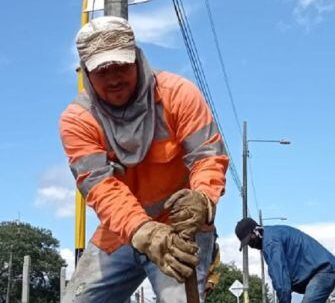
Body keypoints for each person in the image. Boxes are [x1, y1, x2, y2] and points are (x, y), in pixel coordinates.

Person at [61, 16, 229, 303]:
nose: (114, 78)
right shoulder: (78, 120)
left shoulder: (178, 94)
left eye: (121, 66)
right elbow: (101, 189)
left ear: (137, 59)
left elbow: (207, 157)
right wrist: (144, 231)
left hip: (180, 229)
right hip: (121, 229)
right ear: (86, 73)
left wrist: (203, 199)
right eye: (102, 71)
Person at [235, 218, 335, 303]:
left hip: (324, 269)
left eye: (250, 240)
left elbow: (281, 282)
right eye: (247, 244)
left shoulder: (271, 243)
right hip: (317, 272)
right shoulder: (271, 236)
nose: (251, 245)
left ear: (256, 231)